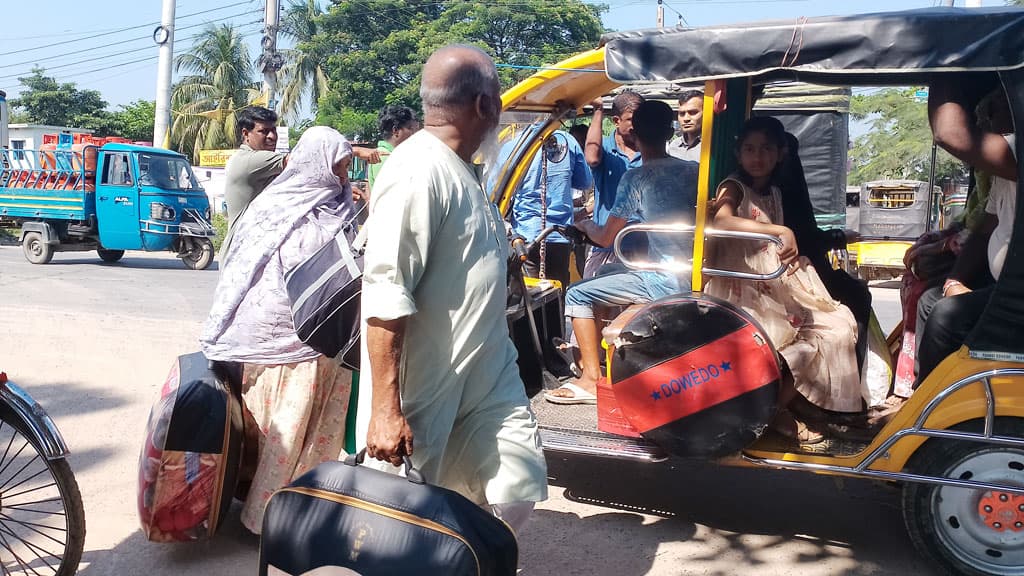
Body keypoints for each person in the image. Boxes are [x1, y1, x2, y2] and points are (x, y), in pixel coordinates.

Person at [357, 44, 547, 535]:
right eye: (499, 103)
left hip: (486, 378)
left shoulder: (463, 169)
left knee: (517, 486)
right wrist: (385, 409)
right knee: (397, 520)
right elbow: (384, 292)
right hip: (423, 385)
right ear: (485, 105)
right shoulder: (417, 169)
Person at [200, 126, 358, 534]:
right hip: (284, 338)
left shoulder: (337, 203)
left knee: (310, 435)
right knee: (282, 436)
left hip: (321, 338)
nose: (343, 174)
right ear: (315, 162)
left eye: (345, 165)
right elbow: (280, 264)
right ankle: (270, 519)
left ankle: (297, 512)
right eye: (338, 165)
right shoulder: (280, 204)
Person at [705, 117, 862, 444]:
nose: (757, 157)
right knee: (805, 339)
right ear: (738, 154)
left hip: (771, 282)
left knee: (839, 326)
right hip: (741, 285)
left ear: (780, 154)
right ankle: (773, 412)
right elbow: (723, 219)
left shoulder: (774, 192)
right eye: (749, 149)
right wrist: (779, 230)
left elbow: (776, 247)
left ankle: (781, 405)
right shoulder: (733, 186)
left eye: (765, 149)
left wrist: (792, 255)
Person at [546, 100, 699, 404]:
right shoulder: (693, 170)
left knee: (577, 293)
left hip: (662, 278)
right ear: (670, 133)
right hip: (688, 269)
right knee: (604, 273)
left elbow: (605, 238)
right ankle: (603, 362)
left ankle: (591, 379)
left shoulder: (637, 178)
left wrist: (586, 224)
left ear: (635, 135)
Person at [914, 80, 1017, 384]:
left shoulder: (1018, 150)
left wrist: (943, 62)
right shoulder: (1006, 167)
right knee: (932, 301)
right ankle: (923, 394)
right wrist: (955, 280)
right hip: (1004, 287)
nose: (985, 122)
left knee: (946, 318)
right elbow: (987, 227)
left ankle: (933, 417)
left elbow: (950, 134)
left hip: (1016, 295)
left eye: (993, 112)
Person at [501, 129, 593, 289]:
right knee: (557, 295)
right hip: (560, 234)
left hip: (526, 236)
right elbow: (585, 181)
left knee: (531, 298)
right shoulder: (568, 141)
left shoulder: (516, 143)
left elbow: (496, 188)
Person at [583, 92, 644, 278]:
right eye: (632, 120)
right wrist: (598, 110)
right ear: (616, 121)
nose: (638, 125)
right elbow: (591, 157)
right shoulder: (606, 149)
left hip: (643, 249)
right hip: (606, 248)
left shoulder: (651, 150)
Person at [223, 106, 287, 231]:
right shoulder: (250, 160)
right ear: (246, 134)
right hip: (246, 246)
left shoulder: (242, 158)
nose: (272, 136)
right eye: (264, 131)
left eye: (274, 130)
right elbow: (301, 161)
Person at [367, 105, 421, 193]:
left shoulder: (393, 155)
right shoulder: (384, 157)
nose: (415, 134)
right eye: (411, 129)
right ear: (395, 131)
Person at [667, 89, 704, 162]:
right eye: (682, 113)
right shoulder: (674, 146)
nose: (686, 119)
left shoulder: (713, 146)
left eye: (693, 112)